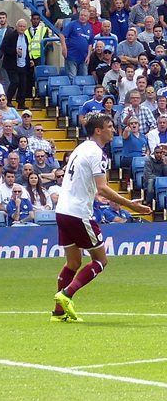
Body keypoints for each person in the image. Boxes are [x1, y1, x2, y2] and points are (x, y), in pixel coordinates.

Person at [51, 113, 150, 322]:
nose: (113, 129)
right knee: (101, 260)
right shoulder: (97, 153)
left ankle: (58, 313)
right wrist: (131, 204)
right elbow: (102, 188)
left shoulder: (81, 148)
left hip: (62, 211)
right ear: (98, 130)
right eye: (109, 126)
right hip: (78, 213)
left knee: (73, 262)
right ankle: (66, 294)